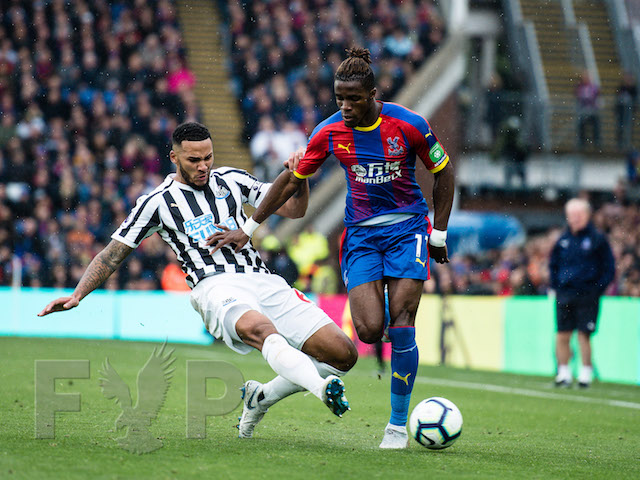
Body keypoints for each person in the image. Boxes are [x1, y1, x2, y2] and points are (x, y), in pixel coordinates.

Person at [38, 122, 358, 439]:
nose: (203, 166)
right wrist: (78, 294)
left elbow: (295, 209)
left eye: (208, 157)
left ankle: (260, 397)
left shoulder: (232, 180)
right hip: (215, 286)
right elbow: (112, 254)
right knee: (260, 330)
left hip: (262, 279)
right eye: (194, 160)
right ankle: (322, 389)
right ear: (174, 157)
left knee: (342, 354)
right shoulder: (157, 202)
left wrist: (299, 177)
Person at [208, 48, 455, 449]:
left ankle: (396, 427)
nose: (345, 107)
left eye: (353, 99)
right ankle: (267, 393)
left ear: (372, 94)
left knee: (402, 322)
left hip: (407, 227)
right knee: (368, 331)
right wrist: (249, 228)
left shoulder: (409, 125)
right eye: (340, 98)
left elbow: (444, 173)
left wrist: (438, 234)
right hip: (360, 235)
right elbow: (291, 181)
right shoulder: (328, 132)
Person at [549, 198, 614, 388]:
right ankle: (563, 373)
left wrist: (597, 288)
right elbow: (553, 265)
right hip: (565, 293)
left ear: (587, 215)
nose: (575, 218)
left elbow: (608, 267)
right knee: (562, 334)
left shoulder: (597, 239)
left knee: (584, 334)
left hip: (587, 294)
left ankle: (585, 374)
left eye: (578, 214)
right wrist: (556, 286)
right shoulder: (563, 239)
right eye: (571, 215)